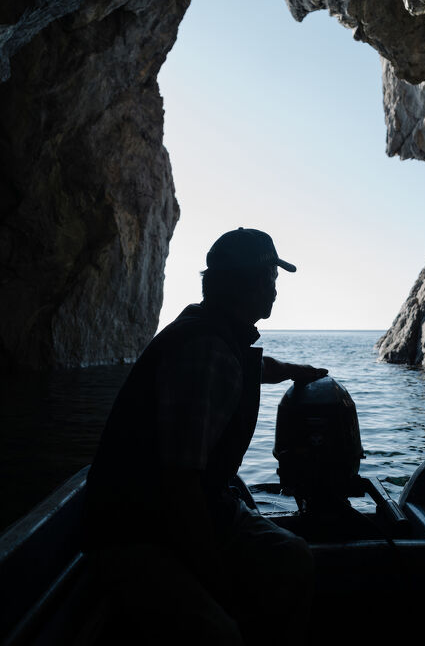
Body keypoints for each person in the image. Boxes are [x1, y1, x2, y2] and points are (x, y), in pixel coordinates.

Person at [83, 227, 328, 644]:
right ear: (246, 283)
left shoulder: (209, 332)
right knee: (221, 634)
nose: (274, 290)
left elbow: (248, 368)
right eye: (270, 278)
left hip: (161, 514)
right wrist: (216, 580)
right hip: (136, 533)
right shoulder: (207, 351)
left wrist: (292, 371)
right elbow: (180, 486)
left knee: (291, 557)